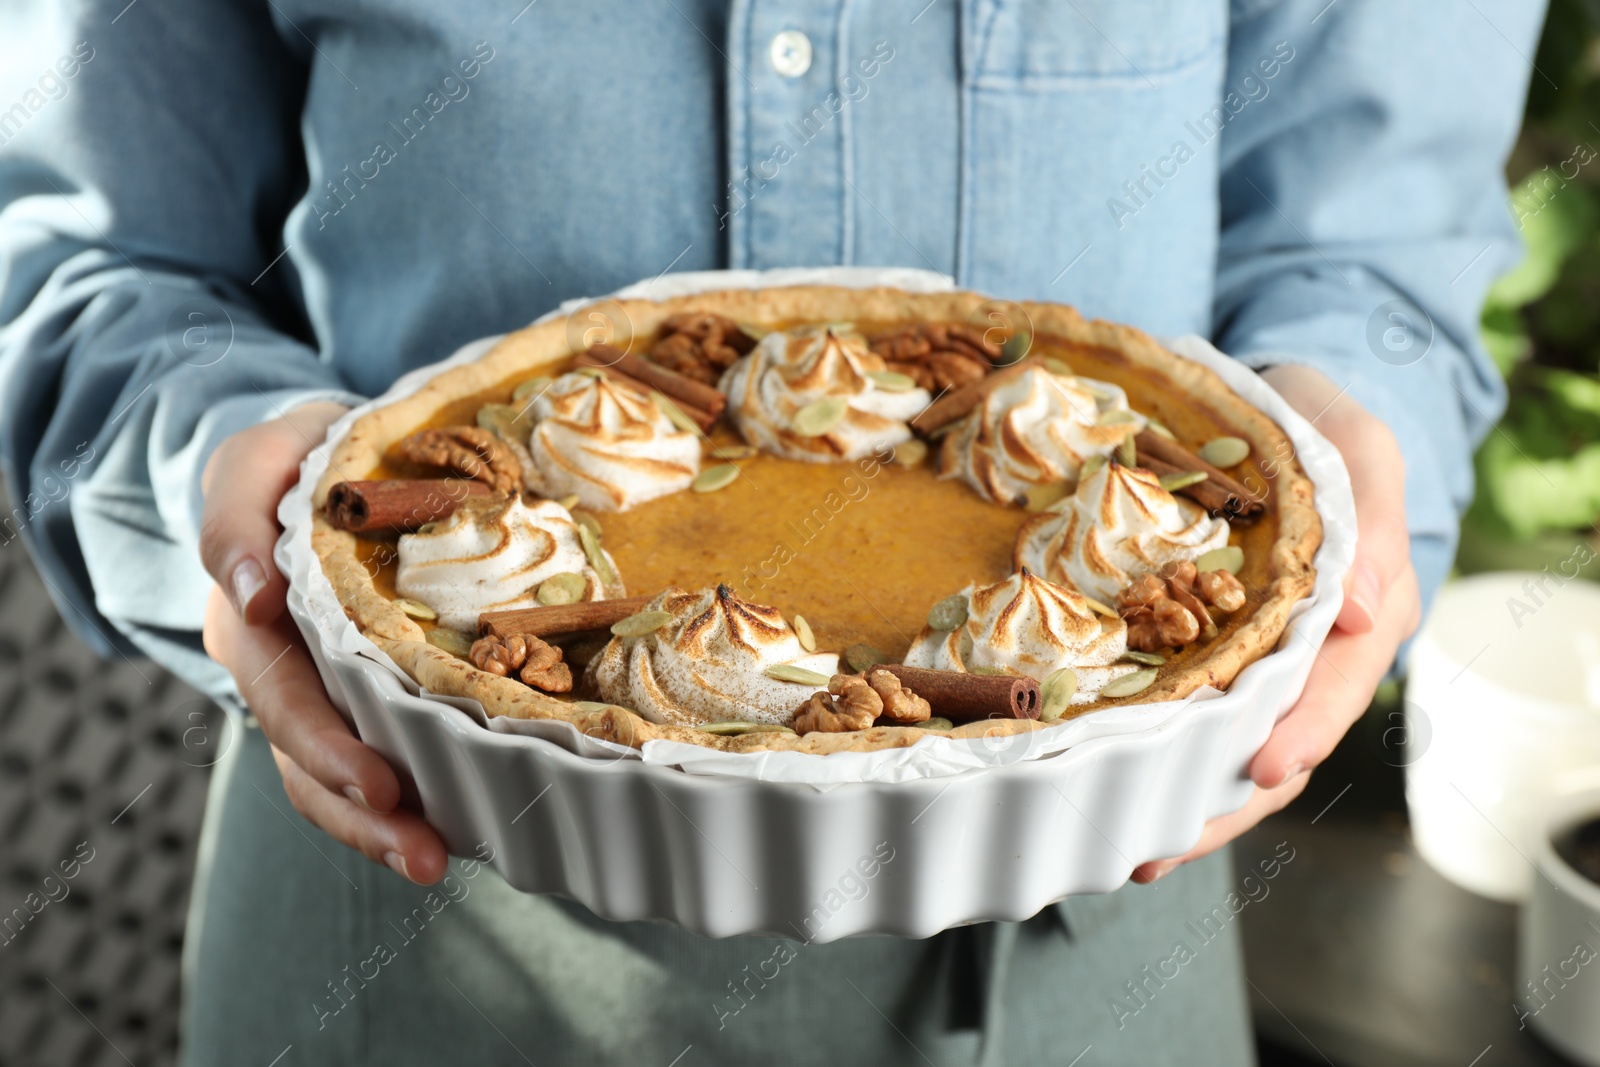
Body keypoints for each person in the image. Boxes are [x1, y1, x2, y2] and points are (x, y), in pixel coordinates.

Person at [0, 2, 1542, 1064]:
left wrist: (1352, 441)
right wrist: (221, 463)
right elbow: (83, 261)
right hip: (409, 910)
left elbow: (1370, 247)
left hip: (1094, 942)